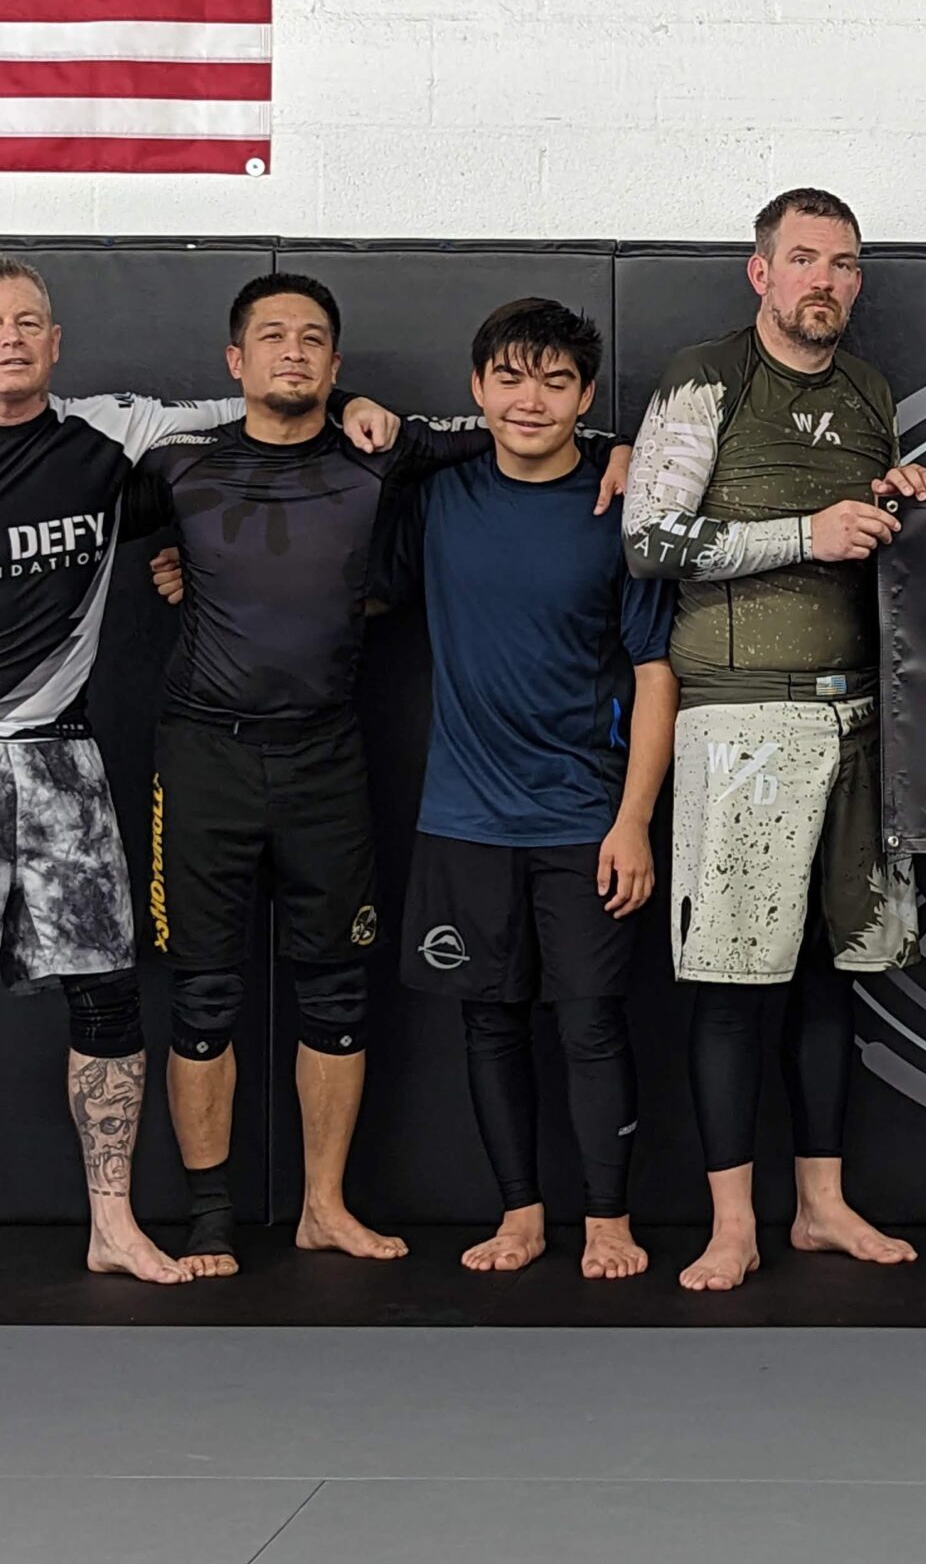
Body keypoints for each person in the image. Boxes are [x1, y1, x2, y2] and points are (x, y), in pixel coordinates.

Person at [0, 254, 328, 1297]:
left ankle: (112, 1222)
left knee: (107, 995)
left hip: (57, 756)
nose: (11, 336)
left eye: (30, 321)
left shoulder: (108, 430)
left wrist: (354, 412)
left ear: (55, 342)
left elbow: (256, 407)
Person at [125, 275, 626, 1278]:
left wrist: (630, 448)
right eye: (272, 337)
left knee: (337, 991)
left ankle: (322, 1205)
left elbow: (523, 425)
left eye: (313, 339)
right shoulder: (174, 468)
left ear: (338, 364)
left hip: (327, 754)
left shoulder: (385, 456)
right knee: (203, 997)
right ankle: (212, 1214)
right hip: (205, 755)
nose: (293, 353)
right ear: (236, 362)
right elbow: (48, 495)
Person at [624, 187, 924, 1293]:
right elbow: (648, 539)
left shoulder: (868, 390)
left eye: (844, 264)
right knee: (732, 980)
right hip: (741, 713)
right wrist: (808, 529)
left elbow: (874, 544)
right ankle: (730, 1223)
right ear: (760, 271)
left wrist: (906, 501)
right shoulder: (707, 374)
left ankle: (823, 1205)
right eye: (803, 260)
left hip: (858, 717)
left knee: (834, 975)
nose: (825, 282)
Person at [383, 298, 675, 1280]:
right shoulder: (436, 495)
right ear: (477, 389)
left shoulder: (617, 502)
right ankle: (519, 1212)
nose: (531, 399)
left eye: (556, 380)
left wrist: (633, 819)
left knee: (590, 1020)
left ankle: (607, 1216)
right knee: (489, 1019)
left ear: (585, 396)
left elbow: (654, 670)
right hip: (463, 817)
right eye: (510, 376)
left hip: (584, 816)